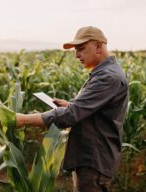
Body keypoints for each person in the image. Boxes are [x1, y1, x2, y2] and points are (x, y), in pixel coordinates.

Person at [16, 26, 128, 192]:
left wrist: (23, 120)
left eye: (81, 49)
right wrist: (71, 105)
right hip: (91, 157)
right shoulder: (105, 73)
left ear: (98, 46)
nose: (76, 55)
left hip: (93, 160)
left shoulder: (107, 77)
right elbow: (93, 110)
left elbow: (71, 116)